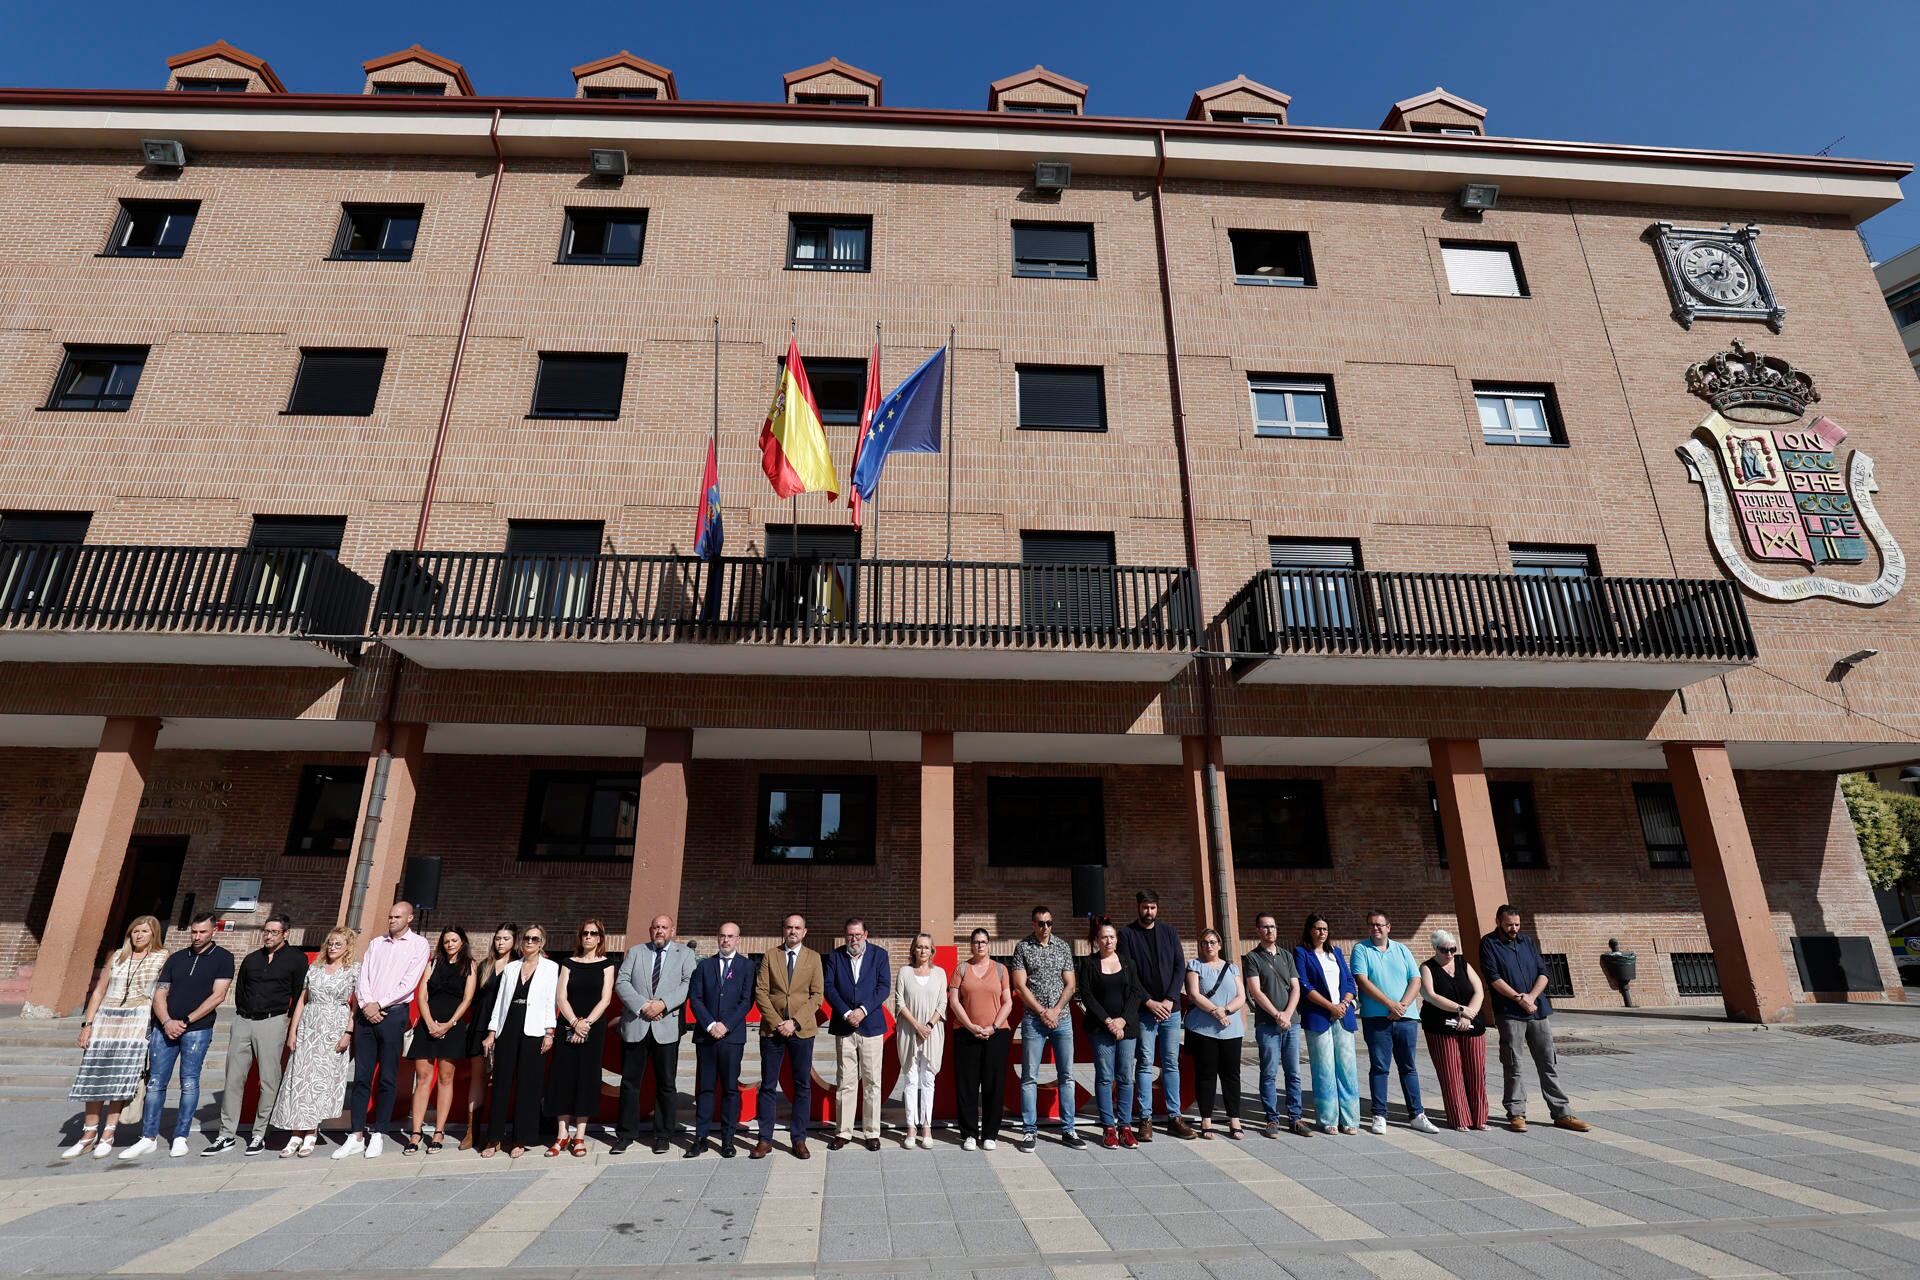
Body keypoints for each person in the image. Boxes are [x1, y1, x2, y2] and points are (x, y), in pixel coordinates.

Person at [122, 912, 233, 1160]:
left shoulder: (223, 958)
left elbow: (218, 995)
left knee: (189, 1081)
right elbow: (161, 991)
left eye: (203, 931)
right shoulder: (177, 958)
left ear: (213, 931)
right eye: (194, 931)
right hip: (165, 1028)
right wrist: (167, 1021)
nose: (197, 936)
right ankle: (147, 1137)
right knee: (156, 1082)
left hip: (197, 1029)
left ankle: (180, 1136)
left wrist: (186, 1021)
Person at [1479, 905, 1589, 1134]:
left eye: (1517, 924)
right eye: (1509, 924)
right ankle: (1516, 1113)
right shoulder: (1489, 943)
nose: (1514, 929)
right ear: (1499, 921)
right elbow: (1493, 978)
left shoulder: (1527, 941)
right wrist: (1520, 999)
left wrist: (1531, 997)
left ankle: (1562, 1112)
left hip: (1537, 1010)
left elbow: (1543, 973)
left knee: (1548, 1062)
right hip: (1510, 1013)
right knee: (1513, 1064)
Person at [334, 901, 430, 1159]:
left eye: (398, 916)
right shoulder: (376, 943)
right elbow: (363, 976)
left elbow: (409, 982)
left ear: (410, 918)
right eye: (390, 916)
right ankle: (355, 1135)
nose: (392, 920)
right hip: (367, 1014)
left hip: (392, 1013)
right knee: (362, 1076)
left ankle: (379, 1133)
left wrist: (381, 1003)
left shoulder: (418, 945)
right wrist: (366, 1004)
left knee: (388, 1076)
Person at [65, 915, 166, 1160]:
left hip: (137, 1019)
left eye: (144, 931)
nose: (139, 935)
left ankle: (108, 1133)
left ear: (154, 935)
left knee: (121, 1077)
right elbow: (100, 990)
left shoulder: (162, 957)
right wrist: (88, 1023)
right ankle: (87, 1134)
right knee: (94, 1075)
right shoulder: (118, 955)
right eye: (135, 931)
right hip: (107, 1018)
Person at [207, 913, 308, 1155]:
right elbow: (241, 990)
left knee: (268, 1080)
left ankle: (259, 1133)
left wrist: (290, 1025)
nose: (268, 936)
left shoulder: (296, 959)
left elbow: (299, 995)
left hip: (273, 1021)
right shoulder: (252, 959)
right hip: (244, 1020)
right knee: (233, 1078)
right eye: (266, 931)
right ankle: (226, 1134)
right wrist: (241, 1016)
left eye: (274, 932)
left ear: (285, 934)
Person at [613, 913, 697, 1155]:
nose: (659, 931)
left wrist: (662, 1004)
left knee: (666, 1085)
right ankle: (626, 1134)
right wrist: (642, 1006)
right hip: (636, 1024)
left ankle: (662, 1135)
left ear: (672, 931)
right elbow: (622, 982)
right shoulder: (636, 952)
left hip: (666, 1027)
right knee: (630, 1083)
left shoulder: (685, 954)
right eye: (656, 927)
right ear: (650, 930)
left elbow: (688, 983)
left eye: (664, 927)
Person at [1350, 909, 1439, 1136]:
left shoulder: (1402, 949)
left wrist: (1402, 1005)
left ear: (1389, 927)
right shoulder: (1361, 949)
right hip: (1377, 1018)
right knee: (1380, 1067)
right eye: (1371, 924)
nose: (1375, 928)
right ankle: (1379, 1114)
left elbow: (1415, 979)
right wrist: (1390, 1004)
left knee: (1408, 1067)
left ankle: (1417, 1114)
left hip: (1406, 1018)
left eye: (1380, 924)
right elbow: (1362, 980)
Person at [272, 926, 359, 1157]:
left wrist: (348, 1032)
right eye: (330, 943)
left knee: (320, 1081)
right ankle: (295, 1133)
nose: (332, 948)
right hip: (309, 1026)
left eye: (338, 944)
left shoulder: (352, 970)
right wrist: (293, 1031)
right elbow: (303, 999)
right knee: (299, 1078)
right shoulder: (316, 968)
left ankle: (311, 1131)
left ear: (347, 947)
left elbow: (356, 1005)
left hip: (333, 1028)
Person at [1118, 890, 1192, 1141]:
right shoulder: (1127, 935)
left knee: (1171, 1062)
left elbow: (1179, 966)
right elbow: (1129, 974)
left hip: (1170, 1010)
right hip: (1145, 1010)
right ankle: (1145, 1119)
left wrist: (1170, 999)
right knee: (1146, 1062)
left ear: (1157, 908)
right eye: (1145, 907)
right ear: (1138, 907)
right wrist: (1149, 1002)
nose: (1149, 912)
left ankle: (1175, 1117)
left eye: (1153, 908)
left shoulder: (1169, 932)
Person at [482, 924, 558, 1158]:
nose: (530, 942)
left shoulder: (550, 968)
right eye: (526, 938)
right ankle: (494, 1138)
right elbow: (500, 1002)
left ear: (542, 943)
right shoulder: (512, 968)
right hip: (509, 1025)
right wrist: (492, 1031)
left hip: (534, 1029)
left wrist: (549, 1031)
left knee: (528, 1086)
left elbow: (550, 1000)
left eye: (535, 939)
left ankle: (519, 1139)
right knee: (502, 1083)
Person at [1011, 904, 1082, 1152]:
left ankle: (1068, 1129)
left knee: (1067, 1075)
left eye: (1049, 923)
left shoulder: (1062, 946)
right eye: (1041, 923)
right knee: (1029, 1076)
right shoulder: (1022, 948)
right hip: (1033, 1020)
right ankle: (1029, 1131)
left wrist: (1054, 1011)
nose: (1045, 927)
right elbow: (1020, 986)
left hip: (1062, 1019)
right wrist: (1042, 1012)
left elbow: (1070, 984)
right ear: (1033, 924)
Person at [752, 913, 823, 1159]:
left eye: (797, 928)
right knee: (768, 1085)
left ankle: (799, 1139)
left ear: (805, 932)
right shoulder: (771, 956)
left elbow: (817, 996)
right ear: (783, 930)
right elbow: (760, 991)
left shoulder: (813, 958)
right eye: (789, 927)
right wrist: (777, 1023)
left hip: (801, 1030)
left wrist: (794, 1023)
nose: (793, 931)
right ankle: (764, 1139)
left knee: (802, 1085)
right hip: (772, 1030)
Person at [402, 926, 476, 1154]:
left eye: (454, 940)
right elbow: (422, 995)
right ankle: (416, 1132)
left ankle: (439, 1132)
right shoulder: (433, 963)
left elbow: (467, 998)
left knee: (446, 1079)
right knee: (422, 1078)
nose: (450, 944)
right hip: (428, 1025)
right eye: (446, 941)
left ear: (462, 942)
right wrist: (430, 1022)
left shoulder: (469, 965)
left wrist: (450, 1023)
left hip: (452, 1027)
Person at [548, 918, 616, 1156]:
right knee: (563, 1077)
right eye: (585, 933)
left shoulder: (607, 964)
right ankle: (562, 1134)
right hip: (567, 1026)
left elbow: (605, 999)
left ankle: (579, 1135)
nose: (588, 936)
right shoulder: (568, 963)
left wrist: (585, 1024)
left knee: (587, 1078)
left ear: (600, 938)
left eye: (593, 933)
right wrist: (575, 1022)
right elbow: (561, 997)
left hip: (593, 1028)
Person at [686, 921, 753, 1158]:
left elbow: (746, 1001)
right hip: (707, 1037)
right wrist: (711, 1024)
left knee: (730, 1089)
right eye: (722, 936)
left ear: (738, 939)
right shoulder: (705, 966)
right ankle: (701, 1138)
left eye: (730, 936)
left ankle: (727, 1139)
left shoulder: (747, 966)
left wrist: (726, 1025)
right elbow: (695, 998)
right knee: (705, 1088)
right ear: (718, 938)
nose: (725, 940)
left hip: (732, 1037)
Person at [825, 917, 891, 1152]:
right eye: (850, 935)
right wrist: (845, 1013)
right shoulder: (835, 956)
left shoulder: (879, 955)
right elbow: (829, 987)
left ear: (866, 934)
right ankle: (843, 1132)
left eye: (858, 935)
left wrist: (862, 1011)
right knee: (846, 1081)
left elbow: (883, 987)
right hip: (844, 1027)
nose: (854, 939)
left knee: (872, 1081)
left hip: (871, 1026)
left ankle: (872, 1132)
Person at [1076, 919, 1143, 1150]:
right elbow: (1086, 995)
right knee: (1105, 1077)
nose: (1108, 941)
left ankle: (1125, 1127)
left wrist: (1122, 1021)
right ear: (1097, 940)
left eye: (1112, 937)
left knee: (1125, 1076)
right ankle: (1108, 1128)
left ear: (1117, 939)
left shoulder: (1128, 963)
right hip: (1100, 1028)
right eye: (1104, 937)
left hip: (1127, 1028)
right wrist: (1108, 1022)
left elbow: (1136, 993)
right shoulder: (1089, 964)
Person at [1244, 912, 1310, 1138]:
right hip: (1267, 1024)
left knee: (1294, 1072)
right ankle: (1271, 1119)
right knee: (1269, 1072)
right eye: (1264, 927)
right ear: (1257, 931)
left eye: (1272, 926)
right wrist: (1277, 1015)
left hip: (1292, 1023)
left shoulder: (1286, 956)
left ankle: (1295, 1118)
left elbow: (1296, 987)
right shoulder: (1252, 958)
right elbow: (1255, 991)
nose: (1269, 930)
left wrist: (1288, 1014)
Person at [1294, 913, 1359, 1135]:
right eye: (1318, 928)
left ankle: (1350, 1119)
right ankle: (1328, 1118)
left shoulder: (1337, 953)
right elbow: (1305, 985)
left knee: (1347, 1068)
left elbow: (1350, 981)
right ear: (1310, 930)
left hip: (1343, 1015)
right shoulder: (1302, 953)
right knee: (1324, 1068)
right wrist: (1329, 1007)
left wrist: (1344, 1003)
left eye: (1325, 929)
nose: (1322, 932)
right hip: (1319, 1016)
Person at [949, 927, 1012, 1152]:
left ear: (989, 944)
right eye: (976, 942)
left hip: (996, 1035)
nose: (980, 945)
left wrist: (993, 1027)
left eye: (984, 942)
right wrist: (971, 1026)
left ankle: (990, 1134)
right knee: (967, 1084)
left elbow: (1008, 1002)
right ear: (971, 945)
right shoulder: (962, 969)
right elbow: (954, 1002)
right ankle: (968, 1134)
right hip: (967, 1034)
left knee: (993, 1085)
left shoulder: (1001, 970)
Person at [1420, 929, 1489, 1132]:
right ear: (1435, 948)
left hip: (1472, 1024)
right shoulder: (1427, 967)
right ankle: (1460, 1118)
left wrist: (1468, 1015)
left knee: (1476, 1071)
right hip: (1441, 1026)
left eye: (1452, 949)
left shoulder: (1462, 963)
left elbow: (1478, 990)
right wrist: (1459, 1009)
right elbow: (1431, 995)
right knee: (1451, 1072)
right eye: (1444, 949)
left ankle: (1480, 1118)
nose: (1449, 953)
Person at [460, 923, 518, 1150]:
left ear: (514, 941)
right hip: (480, 1026)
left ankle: (498, 1130)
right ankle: (471, 1131)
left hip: (506, 1028)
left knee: (501, 1080)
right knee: (478, 1077)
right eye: (498, 938)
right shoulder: (484, 966)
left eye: (506, 938)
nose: (501, 942)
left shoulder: (518, 966)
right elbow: (473, 999)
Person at [1185, 927, 1247, 1139]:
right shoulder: (1195, 966)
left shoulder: (1231, 968)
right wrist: (1216, 1012)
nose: (1208, 946)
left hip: (1231, 1029)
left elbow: (1242, 996)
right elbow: (1194, 994)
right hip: (1205, 1030)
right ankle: (1206, 1119)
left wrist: (1226, 1010)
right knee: (1206, 1075)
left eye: (1212, 942)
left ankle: (1234, 1119)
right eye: (1204, 942)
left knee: (1231, 1075)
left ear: (1219, 945)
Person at [893, 933, 947, 1150]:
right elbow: (899, 1001)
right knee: (910, 1079)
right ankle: (910, 1127)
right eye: (919, 947)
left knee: (928, 1081)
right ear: (913, 950)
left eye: (927, 947)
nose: (923, 951)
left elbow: (943, 1003)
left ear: (932, 951)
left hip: (932, 1033)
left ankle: (926, 1127)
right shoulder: (905, 972)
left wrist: (929, 1026)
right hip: (909, 1031)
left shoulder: (940, 973)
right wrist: (917, 1026)